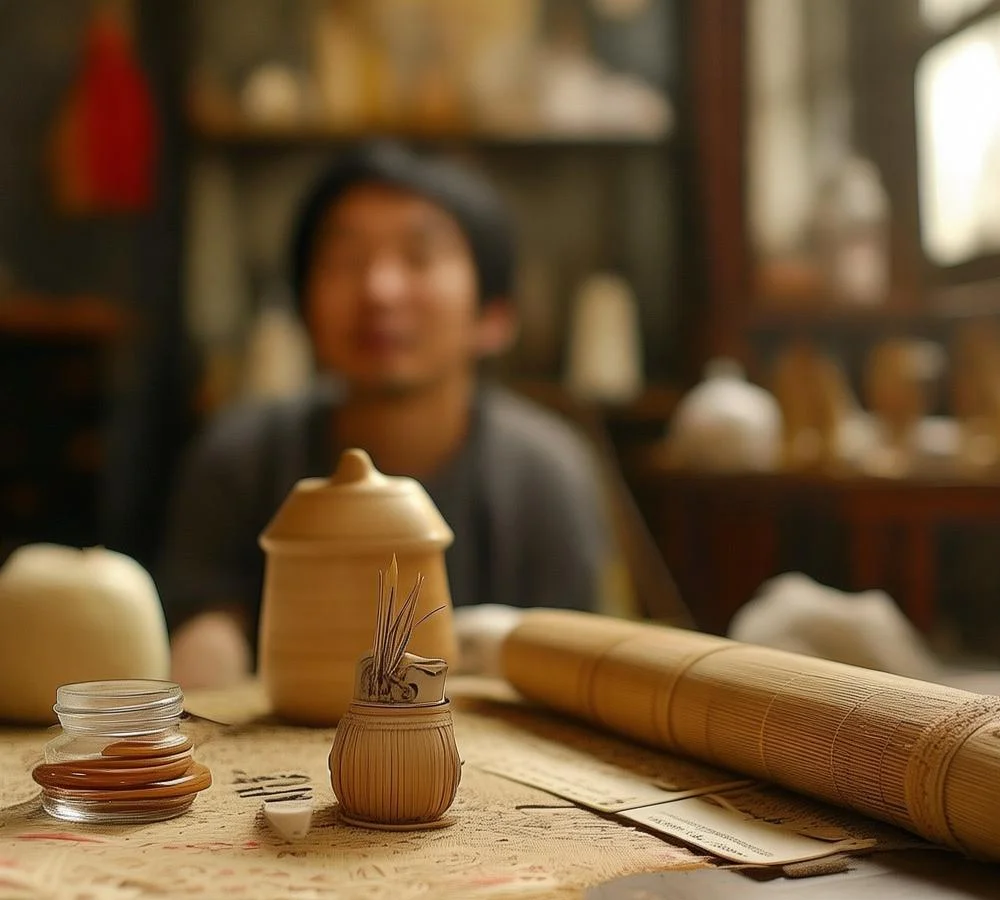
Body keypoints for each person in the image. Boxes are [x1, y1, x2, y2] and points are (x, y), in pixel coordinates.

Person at [158, 141, 613, 688]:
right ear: (305, 306)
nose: (379, 290)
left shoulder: (545, 476)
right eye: (346, 261)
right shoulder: (241, 458)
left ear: (493, 314)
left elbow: (571, 662)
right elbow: (205, 631)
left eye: (420, 257)